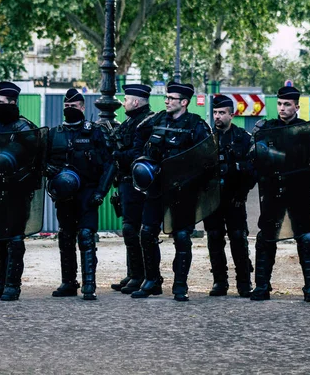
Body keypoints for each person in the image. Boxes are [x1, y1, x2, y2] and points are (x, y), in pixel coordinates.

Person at [130, 81, 211, 301]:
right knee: (146, 233)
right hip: (156, 189)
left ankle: (180, 285)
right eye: (166, 97)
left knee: (182, 237)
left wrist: (190, 179)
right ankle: (152, 281)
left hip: (182, 193)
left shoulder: (197, 125)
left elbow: (207, 160)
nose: (166, 101)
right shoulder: (156, 121)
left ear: (184, 102)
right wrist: (140, 161)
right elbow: (137, 137)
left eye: (171, 98)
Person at [249, 86, 310, 302]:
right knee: (266, 237)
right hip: (273, 190)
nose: (282, 108)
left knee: (307, 238)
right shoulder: (266, 128)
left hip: (298, 191)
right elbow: (254, 154)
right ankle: (262, 286)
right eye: (280, 104)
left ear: (296, 106)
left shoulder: (307, 130)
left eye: (287, 104)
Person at [0, 81, 42, 301]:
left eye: (1, 102)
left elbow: (36, 161)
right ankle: (0, 283)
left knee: (14, 238)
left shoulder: (25, 128)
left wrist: (23, 179)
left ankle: (13, 285)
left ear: (12, 102)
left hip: (17, 190)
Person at [46, 88, 114, 300]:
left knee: (86, 236)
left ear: (83, 107)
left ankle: (89, 284)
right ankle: (68, 282)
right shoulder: (54, 134)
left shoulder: (95, 132)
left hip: (88, 192)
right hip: (64, 196)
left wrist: (101, 192)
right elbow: (42, 161)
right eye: (66, 106)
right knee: (66, 237)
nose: (70, 109)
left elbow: (110, 164)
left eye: (74, 106)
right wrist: (49, 171)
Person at [202, 95, 254, 297]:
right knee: (214, 239)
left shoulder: (243, 137)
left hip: (234, 198)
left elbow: (253, 169)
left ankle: (244, 283)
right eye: (215, 112)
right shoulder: (206, 139)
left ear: (231, 114)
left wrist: (242, 192)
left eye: (222, 113)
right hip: (212, 199)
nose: (217, 116)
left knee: (238, 239)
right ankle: (220, 282)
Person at [109, 84, 155, 294]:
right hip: (126, 182)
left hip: (138, 184)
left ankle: (142, 276)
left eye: (126, 99)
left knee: (135, 229)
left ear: (136, 102)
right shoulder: (130, 122)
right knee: (129, 229)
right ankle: (134, 273)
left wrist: (118, 155)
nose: (124, 103)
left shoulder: (146, 123)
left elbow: (141, 155)